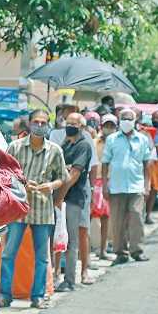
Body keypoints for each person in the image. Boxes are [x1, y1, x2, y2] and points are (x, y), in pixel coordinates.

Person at [0, 109, 67, 309]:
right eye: (36, 122)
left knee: (42, 257)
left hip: (43, 208)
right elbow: (3, 172)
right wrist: (21, 184)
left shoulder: (55, 150)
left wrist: (52, 186)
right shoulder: (15, 147)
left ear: (48, 125)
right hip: (18, 207)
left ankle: (37, 296)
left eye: (43, 122)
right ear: (29, 124)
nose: (39, 125)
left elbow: (62, 177)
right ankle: (5, 294)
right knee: (8, 253)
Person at [51, 105, 99, 280]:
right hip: (60, 197)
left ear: (82, 127)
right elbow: (57, 169)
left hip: (73, 198)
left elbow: (73, 175)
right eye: (68, 122)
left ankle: (70, 279)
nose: (70, 126)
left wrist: (60, 196)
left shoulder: (84, 145)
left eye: (74, 123)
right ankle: (56, 273)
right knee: (59, 237)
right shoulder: (64, 144)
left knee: (73, 239)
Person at [102, 109, 152, 265]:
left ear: (135, 120)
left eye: (129, 119)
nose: (126, 121)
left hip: (136, 186)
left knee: (136, 217)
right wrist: (104, 184)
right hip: (116, 187)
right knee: (117, 221)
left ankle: (137, 250)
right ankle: (120, 252)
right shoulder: (112, 139)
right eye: (123, 118)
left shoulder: (142, 139)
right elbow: (105, 163)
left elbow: (147, 164)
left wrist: (147, 185)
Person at [94, 114, 118, 259]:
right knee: (90, 217)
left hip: (110, 182)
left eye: (111, 126)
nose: (109, 129)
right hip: (94, 182)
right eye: (106, 126)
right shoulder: (94, 142)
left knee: (105, 218)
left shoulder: (117, 143)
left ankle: (103, 249)